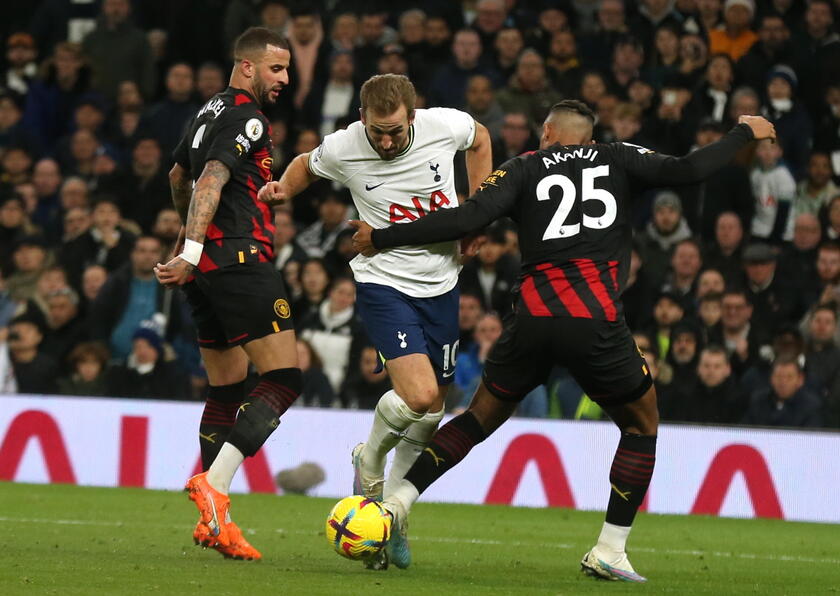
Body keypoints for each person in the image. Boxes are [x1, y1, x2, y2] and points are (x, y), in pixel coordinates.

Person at [350, 99, 776, 582]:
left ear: (548, 132)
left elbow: (465, 218)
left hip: (531, 319)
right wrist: (744, 132)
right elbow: (689, 169)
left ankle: (396, 503)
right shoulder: (617, 157)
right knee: (640, 425)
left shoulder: (524, 167)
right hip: (593, 321)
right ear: (589, 138)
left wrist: (382, 237)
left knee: (477, 418)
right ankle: (610, 549)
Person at [257, 73, 492, 570]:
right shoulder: (346, 145)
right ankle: (369, 463)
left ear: (413, 115)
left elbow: (481, 138)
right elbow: (306, 164)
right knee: (419, 395)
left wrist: (479, 214)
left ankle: (391, 519)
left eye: (395, 131)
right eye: (376, 131)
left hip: (444, 285)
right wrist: (283, 189)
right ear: (362, 117)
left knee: (429, 418)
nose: (385, 141)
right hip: (384, 283)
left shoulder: (443, 126)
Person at [153, 27, 299, 562]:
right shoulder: (247, 116)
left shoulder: (206, 111)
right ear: (246, 67)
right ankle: (214, 484)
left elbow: (178, 175)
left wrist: (188, 244)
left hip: (208, 268)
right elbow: (210, 177)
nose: (284, 78)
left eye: (286, 69)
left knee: (227, 388)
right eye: (276, 69)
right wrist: (191, 249)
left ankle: (218, 521)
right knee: (285, 378)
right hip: (240, 257)